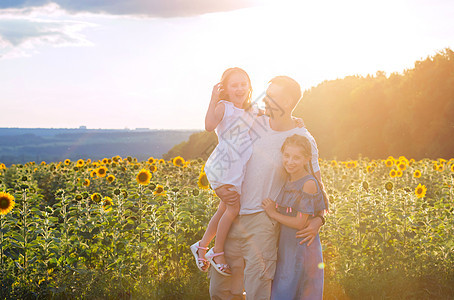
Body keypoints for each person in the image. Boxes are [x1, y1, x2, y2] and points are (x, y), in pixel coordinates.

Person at [209, 76, 327, 299]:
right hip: (231, 214)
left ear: (289, 101)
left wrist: (318, 220)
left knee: (257, 290)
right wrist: (217, 187)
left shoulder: (302, 137)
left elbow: (315, 186)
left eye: (273, 96)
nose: (266, 100)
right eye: (267, 94)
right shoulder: (252, 122)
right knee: (221, 290)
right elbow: (223, 152)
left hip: (263, 221)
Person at [191, 68, 305, 276]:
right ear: (225, 89)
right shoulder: (223, 107)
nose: (240, 88)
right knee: (233, 209)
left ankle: (201, 245)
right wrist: (212, 99)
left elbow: (274, 114)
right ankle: (216, 252)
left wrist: (294, 119)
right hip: (225, 164)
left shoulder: (251, 110)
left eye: (243, 84)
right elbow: (209, 126)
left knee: (225, 208)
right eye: (234, 85)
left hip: (235, 167)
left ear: (250, 87)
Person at [262, 134, 326, 300]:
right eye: (287, 155)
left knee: (294, 290)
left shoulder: (308, 183)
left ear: (306, 159)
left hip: (302, 246)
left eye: (296, 158)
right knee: (284, 288)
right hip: (288, 246)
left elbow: (300, 222)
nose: (290, 161)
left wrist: (273, 213)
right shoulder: (288, 180)